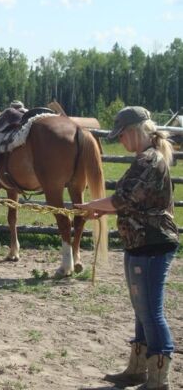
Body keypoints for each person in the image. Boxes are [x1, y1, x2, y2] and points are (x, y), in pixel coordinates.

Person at [75, 106, 179, 390]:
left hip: (151, 244)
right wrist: (101, 210)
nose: (120, 140)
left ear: (134, 131)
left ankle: (158, 378)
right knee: (141, 308)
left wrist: (90, 207)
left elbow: (122, 199)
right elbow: (132, 202)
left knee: (151, 311)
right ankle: (138, 369)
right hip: (140, 243)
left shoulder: (148, 160)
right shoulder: (146, 158)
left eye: (122, 135)